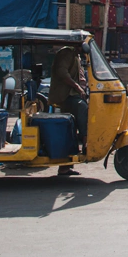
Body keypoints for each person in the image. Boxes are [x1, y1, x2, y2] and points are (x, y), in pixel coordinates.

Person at [49, 46, 89, 175]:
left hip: (73, 94)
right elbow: (62, 72)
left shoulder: (76, 55)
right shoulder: (66, 53)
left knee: (71, 129)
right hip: (66, 95)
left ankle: (65, 167)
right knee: (82, 108)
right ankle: (86, 142)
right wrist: (77, 87)